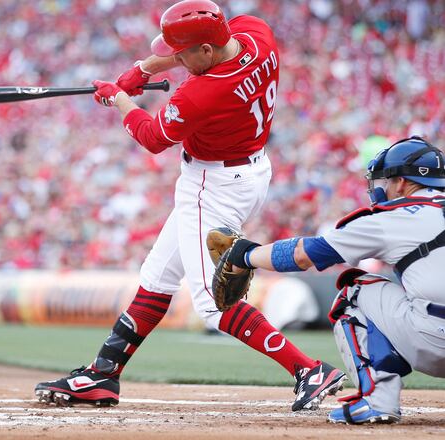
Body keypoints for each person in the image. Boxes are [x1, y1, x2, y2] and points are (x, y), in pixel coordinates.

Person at [35, 0, 345, 411]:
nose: (176, 59)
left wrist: (118, 99)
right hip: (248, 171)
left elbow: (152, 137)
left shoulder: (203, 91)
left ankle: (309, 369)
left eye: (182, 54)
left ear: (206, 52)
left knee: (213, 304)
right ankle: (103, 373)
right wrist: (145, 70)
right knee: (158, 275)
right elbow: (195, 50)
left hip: (212, 185)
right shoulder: (255, 34)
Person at [216, 136, 445, 424]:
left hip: (436, 341)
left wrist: (246, 255)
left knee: (355, 290)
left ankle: (378, 401)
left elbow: (305, 255)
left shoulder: (396, 217)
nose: (383, 187)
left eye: (387, 180)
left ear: (400, 182)